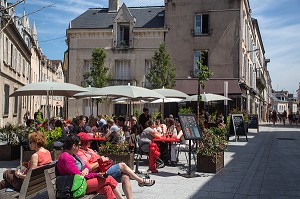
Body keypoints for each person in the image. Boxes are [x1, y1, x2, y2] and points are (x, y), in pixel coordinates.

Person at [76, 133, 155, 199]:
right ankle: (140, 181)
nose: (90, 142)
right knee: (122, 165)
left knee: (125, 177)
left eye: (90, 141)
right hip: (99, 172)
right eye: (88, 141)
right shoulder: (80, 153)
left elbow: (98, 158)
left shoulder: (89, 150)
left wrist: (103, 158)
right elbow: (89, 167)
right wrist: (100, 161)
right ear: (83, 142)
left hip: (104, 168)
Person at [56, 134, 123, 199]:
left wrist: (86, 170)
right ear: (74, 146)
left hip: (82, 182)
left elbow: (86, 166)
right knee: (108, 179)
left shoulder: (73, 155)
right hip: (75, 186)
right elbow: (79, 176)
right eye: (78, 145)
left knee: (107, 188)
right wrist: (96, 174)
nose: (79, 147)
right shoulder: (66, 158)